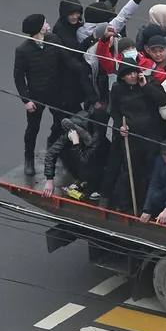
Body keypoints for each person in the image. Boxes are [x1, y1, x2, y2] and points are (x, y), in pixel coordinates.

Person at [99, 57, 166, 210]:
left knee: (149, 172)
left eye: (134, 72)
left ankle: (148, 205)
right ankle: (125, 204)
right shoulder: (117, 88)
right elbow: (114, 111)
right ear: (122, 76)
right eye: (128, 74)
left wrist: (145, 86)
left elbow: (163, 100)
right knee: (130, 171)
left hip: (151, 136)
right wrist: (119, 127)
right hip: (131, 138)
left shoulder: (149, 83)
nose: (132, 76)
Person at [14, 14, 67, 176]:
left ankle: (54, 144)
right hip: (36, 95)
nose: (47, 25)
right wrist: (26, 100)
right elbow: (18, 76)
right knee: (33, 128)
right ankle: (28, 158)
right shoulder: (23, 50)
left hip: (55, 92)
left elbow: (65, 61)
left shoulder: (54, 40)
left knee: (61, 122)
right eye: (44, 23)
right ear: (37, 28)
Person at [41, 109, 107, 198]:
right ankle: (80, 179)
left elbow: (84, 161)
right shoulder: (70, 134)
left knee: (87, 168)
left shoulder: (96, 138)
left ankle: (95, 185)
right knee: (65, 154)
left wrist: (76, 143)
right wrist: (49, 180)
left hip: (97, 166)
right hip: (82, 159)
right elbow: (51, 153)